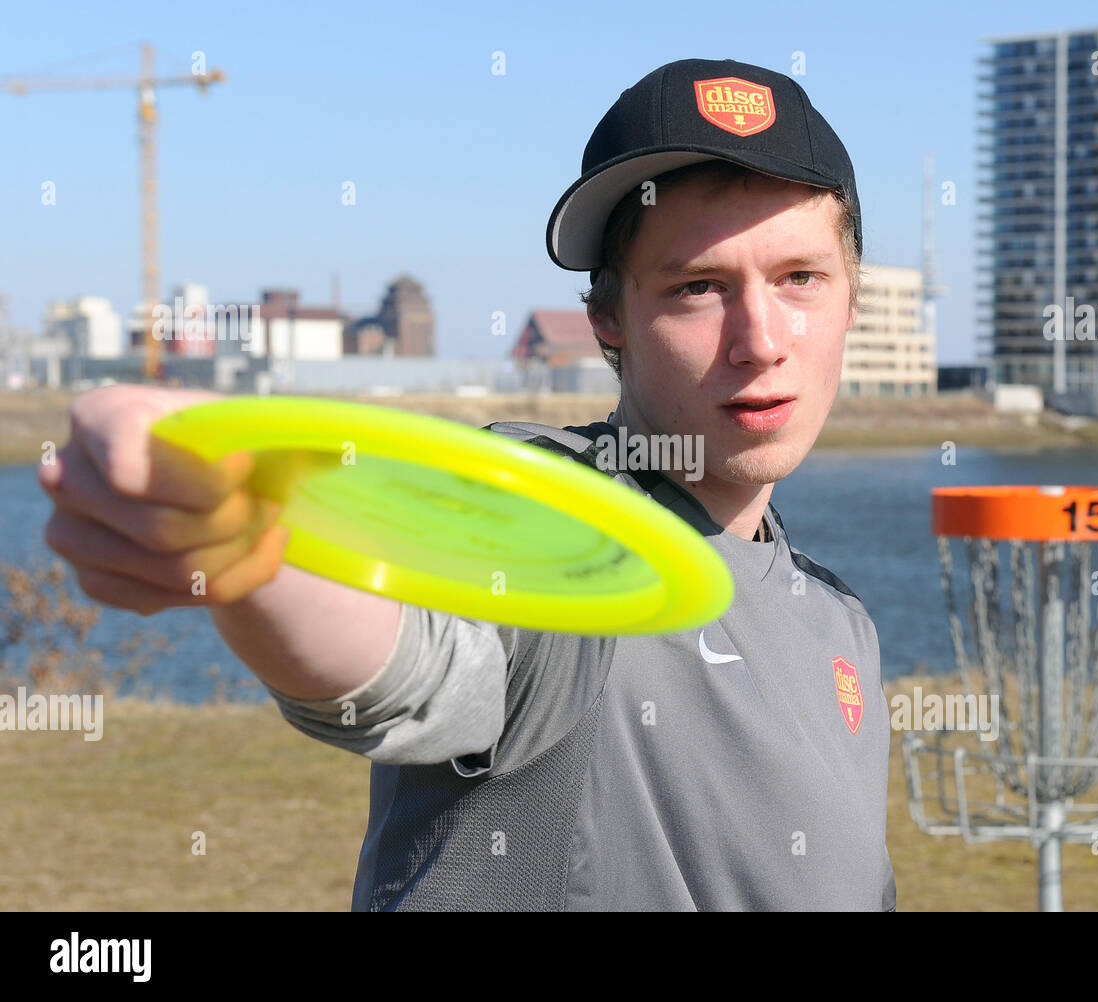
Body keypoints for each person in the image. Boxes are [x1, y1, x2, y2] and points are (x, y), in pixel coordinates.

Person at [38, 57, 896, 911]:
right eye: (698, 287)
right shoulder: (552, 524)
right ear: (609, 321)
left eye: (800, 280)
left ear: (851, 298)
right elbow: (401, 661)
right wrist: (245, 547)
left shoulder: (840, 624)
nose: (761, 340)